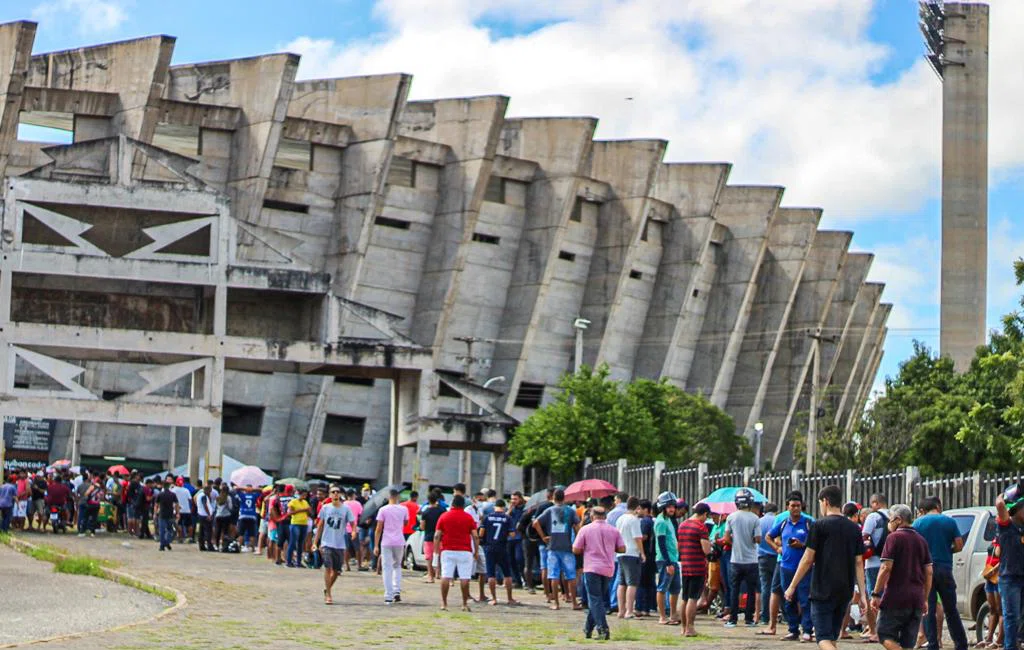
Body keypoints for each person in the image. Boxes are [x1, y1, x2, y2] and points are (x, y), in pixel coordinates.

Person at [786, 485, 867, 650]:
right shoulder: (854, 528)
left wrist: (792, 586)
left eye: (820, 503)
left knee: (823, 639)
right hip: (845, 589)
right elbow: (859, 563)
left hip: (823, 588)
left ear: (826, 501)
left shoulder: (819, 525)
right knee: (832, 638)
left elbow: (807, 559)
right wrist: (863, 595)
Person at [871, 504, 933, 650]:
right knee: (907, 643)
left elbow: (886, 567)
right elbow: (929, 571)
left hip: (896, 596)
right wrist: (925, 598)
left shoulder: (894, 538)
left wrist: (875, 593)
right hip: (916, 597)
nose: (888, 524)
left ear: (898, 520)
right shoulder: (921, 540)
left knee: (883, 634)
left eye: (890, 520)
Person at [908, 496, 966, 650]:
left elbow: (913, 547)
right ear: (938, 507)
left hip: (925, 570)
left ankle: (932, 644)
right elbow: (960, 545)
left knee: (928, 608)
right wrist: (948, 550)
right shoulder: (949, 521)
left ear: (922, 510)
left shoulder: (918, 523)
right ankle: (961, 644)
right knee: (951, 609)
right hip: (945, 569)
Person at [573, 505, 625, 641]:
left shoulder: (585, 529)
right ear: (606, 516)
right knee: (597, 599)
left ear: (591, 516)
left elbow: (576, 549)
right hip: (608, 568)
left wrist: (587, 547)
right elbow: (622, 548)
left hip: (591, 568)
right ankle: (588, 628)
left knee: (595, 599)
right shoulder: (614, 530)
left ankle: (603, 629)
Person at [768, 494, 814, 641]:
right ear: (787, 507)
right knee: (788, 599)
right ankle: (793, 629)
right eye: (793, 506)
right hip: (785, 566)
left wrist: (802, 545)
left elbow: (816, 543)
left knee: (805, 599)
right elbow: (768, 536)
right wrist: (777, 548)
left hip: (804, 568)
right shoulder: (783, 523)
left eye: (798, 506)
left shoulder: (808, 523)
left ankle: (807, 630)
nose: (795, 509)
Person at [534, 488, 581, 610]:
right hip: (567, 547)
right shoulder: (570, 511)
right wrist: (577, 540)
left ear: (553, 498)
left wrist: (543, 536)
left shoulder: (549, 510)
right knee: (571, 576)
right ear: (564, 498)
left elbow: (535, 523)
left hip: (552, 547)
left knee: (553, 576)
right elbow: (577, 526)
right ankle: (574, 602)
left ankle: (556, 603)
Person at [723, 487, 761, 628]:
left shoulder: (731, 517)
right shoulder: (755, 518)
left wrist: (736, 541)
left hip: (735, 560)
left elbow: (726, 539)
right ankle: (749, 619)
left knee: (734, 589)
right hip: (751, 560)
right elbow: (758, 539)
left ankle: (732, 619)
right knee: (751, 590)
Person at [312, 486, 355, 605]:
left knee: (336, 571)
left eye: (337, 492)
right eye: (333, 492)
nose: (335, 494)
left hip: (340, 543)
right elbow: (320, 525)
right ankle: (329, 594)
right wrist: (315, 542)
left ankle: (327, 588)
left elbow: (352, 522)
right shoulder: (325, 508)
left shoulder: (346, 509)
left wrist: (354, 531)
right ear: (330, 495)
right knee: (328, 567)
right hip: (326, 542)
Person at [436, 494, 480, 612]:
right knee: (465, 577)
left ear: (452, 504)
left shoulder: (444, 516)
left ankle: (444, 603)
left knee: (446, 576)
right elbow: (475, 536)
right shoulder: (468, 518)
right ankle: (464, 604)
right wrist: (476, 551)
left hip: (447, 549)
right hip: (465, 550)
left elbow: (437, 535)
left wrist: (436, 551)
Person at [995, 484, 1024, 650]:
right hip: (1010, 578)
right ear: (1017, 510)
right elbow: (1000, 505)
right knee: (1011, 616)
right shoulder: (1007, 525)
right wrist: (1006, 494)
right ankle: (1010, 646)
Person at [678, 502, 713, 637]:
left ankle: (683, 627)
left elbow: (679, 546)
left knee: (685, 598)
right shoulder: (700, 527)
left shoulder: (682, 525)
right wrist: (710, 545)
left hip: (685, 564)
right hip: (697, 566)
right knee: (693, 598)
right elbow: (706, 550)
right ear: (704, 514)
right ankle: (690, 628)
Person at [863, 493, 891, 643]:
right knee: (888, 596)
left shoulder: (873, 517)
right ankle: (888, 630)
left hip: (873, 563)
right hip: (890, 562)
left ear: (875, 503)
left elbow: (864, 537)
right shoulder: (894, 515)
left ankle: (875, 631)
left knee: (873, 598)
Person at [480, 498, 518, 605]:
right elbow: (512, 534)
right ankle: (510, 598)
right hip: (502, 547)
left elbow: (481, 533)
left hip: (490, 548)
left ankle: (494, 598)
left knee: (491, 574)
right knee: (507, 573)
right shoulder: (507, 518)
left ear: (494, 507)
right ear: (504, 507)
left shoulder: (488, 517)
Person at [374, 489, 409, 604]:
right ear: (397, 496)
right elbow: (406, 523)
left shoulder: (383, 510)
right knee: (397, 566)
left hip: (386, 541)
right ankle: (396, 590)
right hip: (399, 540)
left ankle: (388, 595)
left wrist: (376, 545)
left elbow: (378, 529)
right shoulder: (404, 509)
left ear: (388, 497)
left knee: (387, 568)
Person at [614, 496, 644, 620]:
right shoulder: (634, 520)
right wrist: (642, 553)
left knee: (622, 583)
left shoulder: (620, 519)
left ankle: (621, 610)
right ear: (637, 507)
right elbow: (637, 538)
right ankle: (629, 611)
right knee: (632, 583)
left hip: (621, 553)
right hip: (632, 553)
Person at [654, 491, 681, 625]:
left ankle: (673, 614)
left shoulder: (669, 520)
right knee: (663, 587)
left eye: (673, 506)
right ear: (662, 507)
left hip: (673, 558)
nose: (672, 509)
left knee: (675, 588)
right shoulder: (661, 522)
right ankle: (662, 616)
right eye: (669, 506)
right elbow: (661, 543)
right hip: (665, 559)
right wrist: (668, 563)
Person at [757, 502, 779, 626]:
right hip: (775, 556)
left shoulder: (759, 521)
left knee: (765, 586)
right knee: (777, 588)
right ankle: (781, 615)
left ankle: (765, 617)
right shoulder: (777, 520)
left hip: (762, 556)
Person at [418, 492, 444, 583]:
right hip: (441, 536)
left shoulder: (425, 512)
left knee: (429, 557)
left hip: (428, 536)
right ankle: (438, 573)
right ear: (437, 500)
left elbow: (422, 527)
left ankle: (430, 576)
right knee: (440, 555)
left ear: (428, 500)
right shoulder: (442, 510)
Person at [286, 488, 311, 568]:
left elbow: (309, 512)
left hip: (304, 524)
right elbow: (289, 513)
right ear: (299, 494)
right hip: (295, 524)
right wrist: (302, 510)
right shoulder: (293, 502)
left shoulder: (305, 502)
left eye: (305, 495)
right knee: (293, 543)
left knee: (301, 544)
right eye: (303, 495)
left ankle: (298, 562)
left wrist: (308, 511)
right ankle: (289, 561)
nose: (304, 496)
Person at [507, 491, 526, 588]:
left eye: (515, 499)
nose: (513, 501)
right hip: (510, 538)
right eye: (512, 499)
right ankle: (517, 580)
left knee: (519, 559)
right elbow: (505, 519)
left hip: (520, 537)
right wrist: (509, 510)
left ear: (520, 499)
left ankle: (524, 578)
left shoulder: (524, 509)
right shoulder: (511, 510)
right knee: (511, 560)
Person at [155, 478, 179, 551]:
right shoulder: (173, 495)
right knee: (170, 530)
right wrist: (177, 512)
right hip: (170, 514)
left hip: (162, 514)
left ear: (163, 486)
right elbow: (176, 504)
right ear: (169, 486)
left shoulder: (160, 494)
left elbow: (156, 505)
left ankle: (162, 545)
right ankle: (167, 542)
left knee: (162, 531)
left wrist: (155, 513)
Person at [196, 483, 216, 551]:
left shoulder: (199, 495)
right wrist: (209, 515)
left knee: (201, 531)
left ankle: (202, 546)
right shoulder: (204, 496)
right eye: (210, 491)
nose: (210, 492)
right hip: (205, 516)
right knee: (208, 531)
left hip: (201, 514)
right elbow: (205, 506)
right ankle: (209, 546)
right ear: (207, 490)